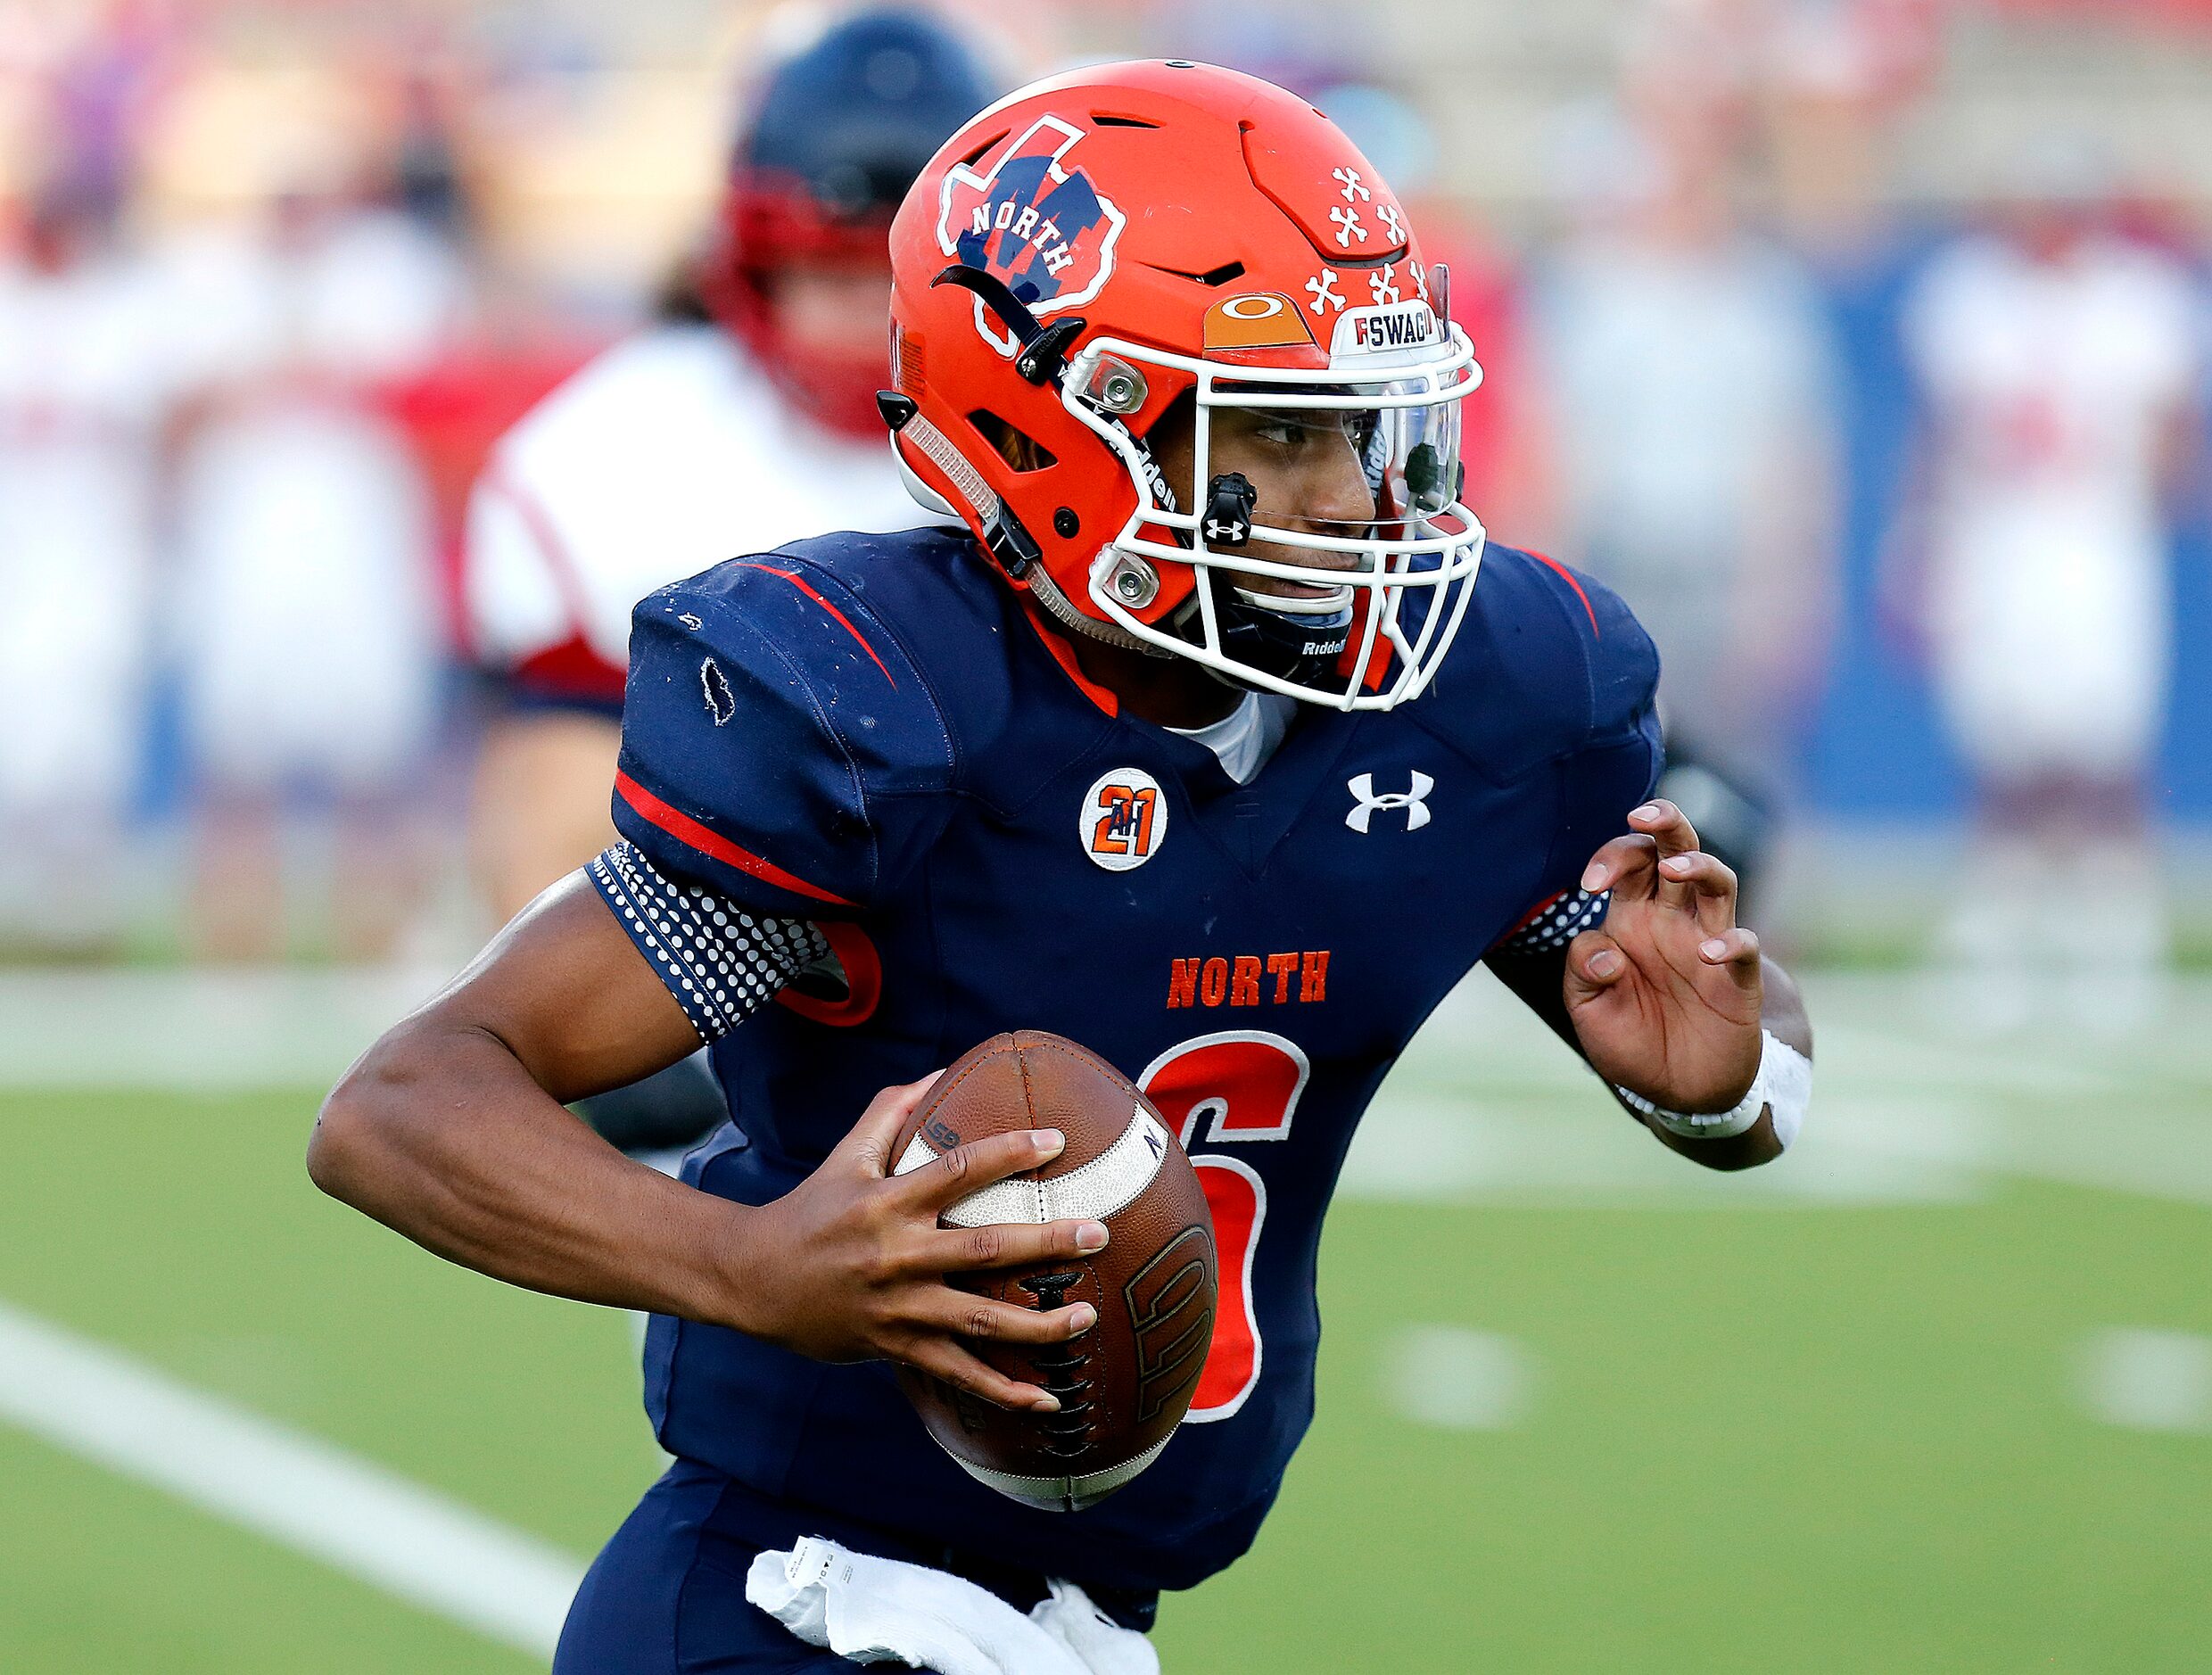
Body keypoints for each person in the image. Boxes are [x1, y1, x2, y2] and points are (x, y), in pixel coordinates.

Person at [310, 61, 1815, 1672]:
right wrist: (747, 1264)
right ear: (1061, 425)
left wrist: (1722, 1079)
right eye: (1286, 433)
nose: (1356, 500)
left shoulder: (1479, 696)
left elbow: (1711, 1030)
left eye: (1373, 430)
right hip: (793, 1605)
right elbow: (403, 1105)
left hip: (1090, 1626)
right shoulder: (891, 715)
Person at [461, 7, 993, 1151]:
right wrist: (616, 1043)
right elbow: (549, 793)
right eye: (830, 267)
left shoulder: (1086, 449)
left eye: (902, 278)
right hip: (737, 996)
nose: (866, 313)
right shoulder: (616, 450)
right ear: (754, 255)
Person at [1894, 144, 2203, 1036]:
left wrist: (2132, 476)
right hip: (1995, 542)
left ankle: (2110, 926)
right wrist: (1919, 542)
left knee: (2101, 742)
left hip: (2093, 544)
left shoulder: (2137, 299)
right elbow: (1941, 430)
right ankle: (2002, 922)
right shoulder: (1969, 293)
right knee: (2002, 740)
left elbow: (2170, 437)